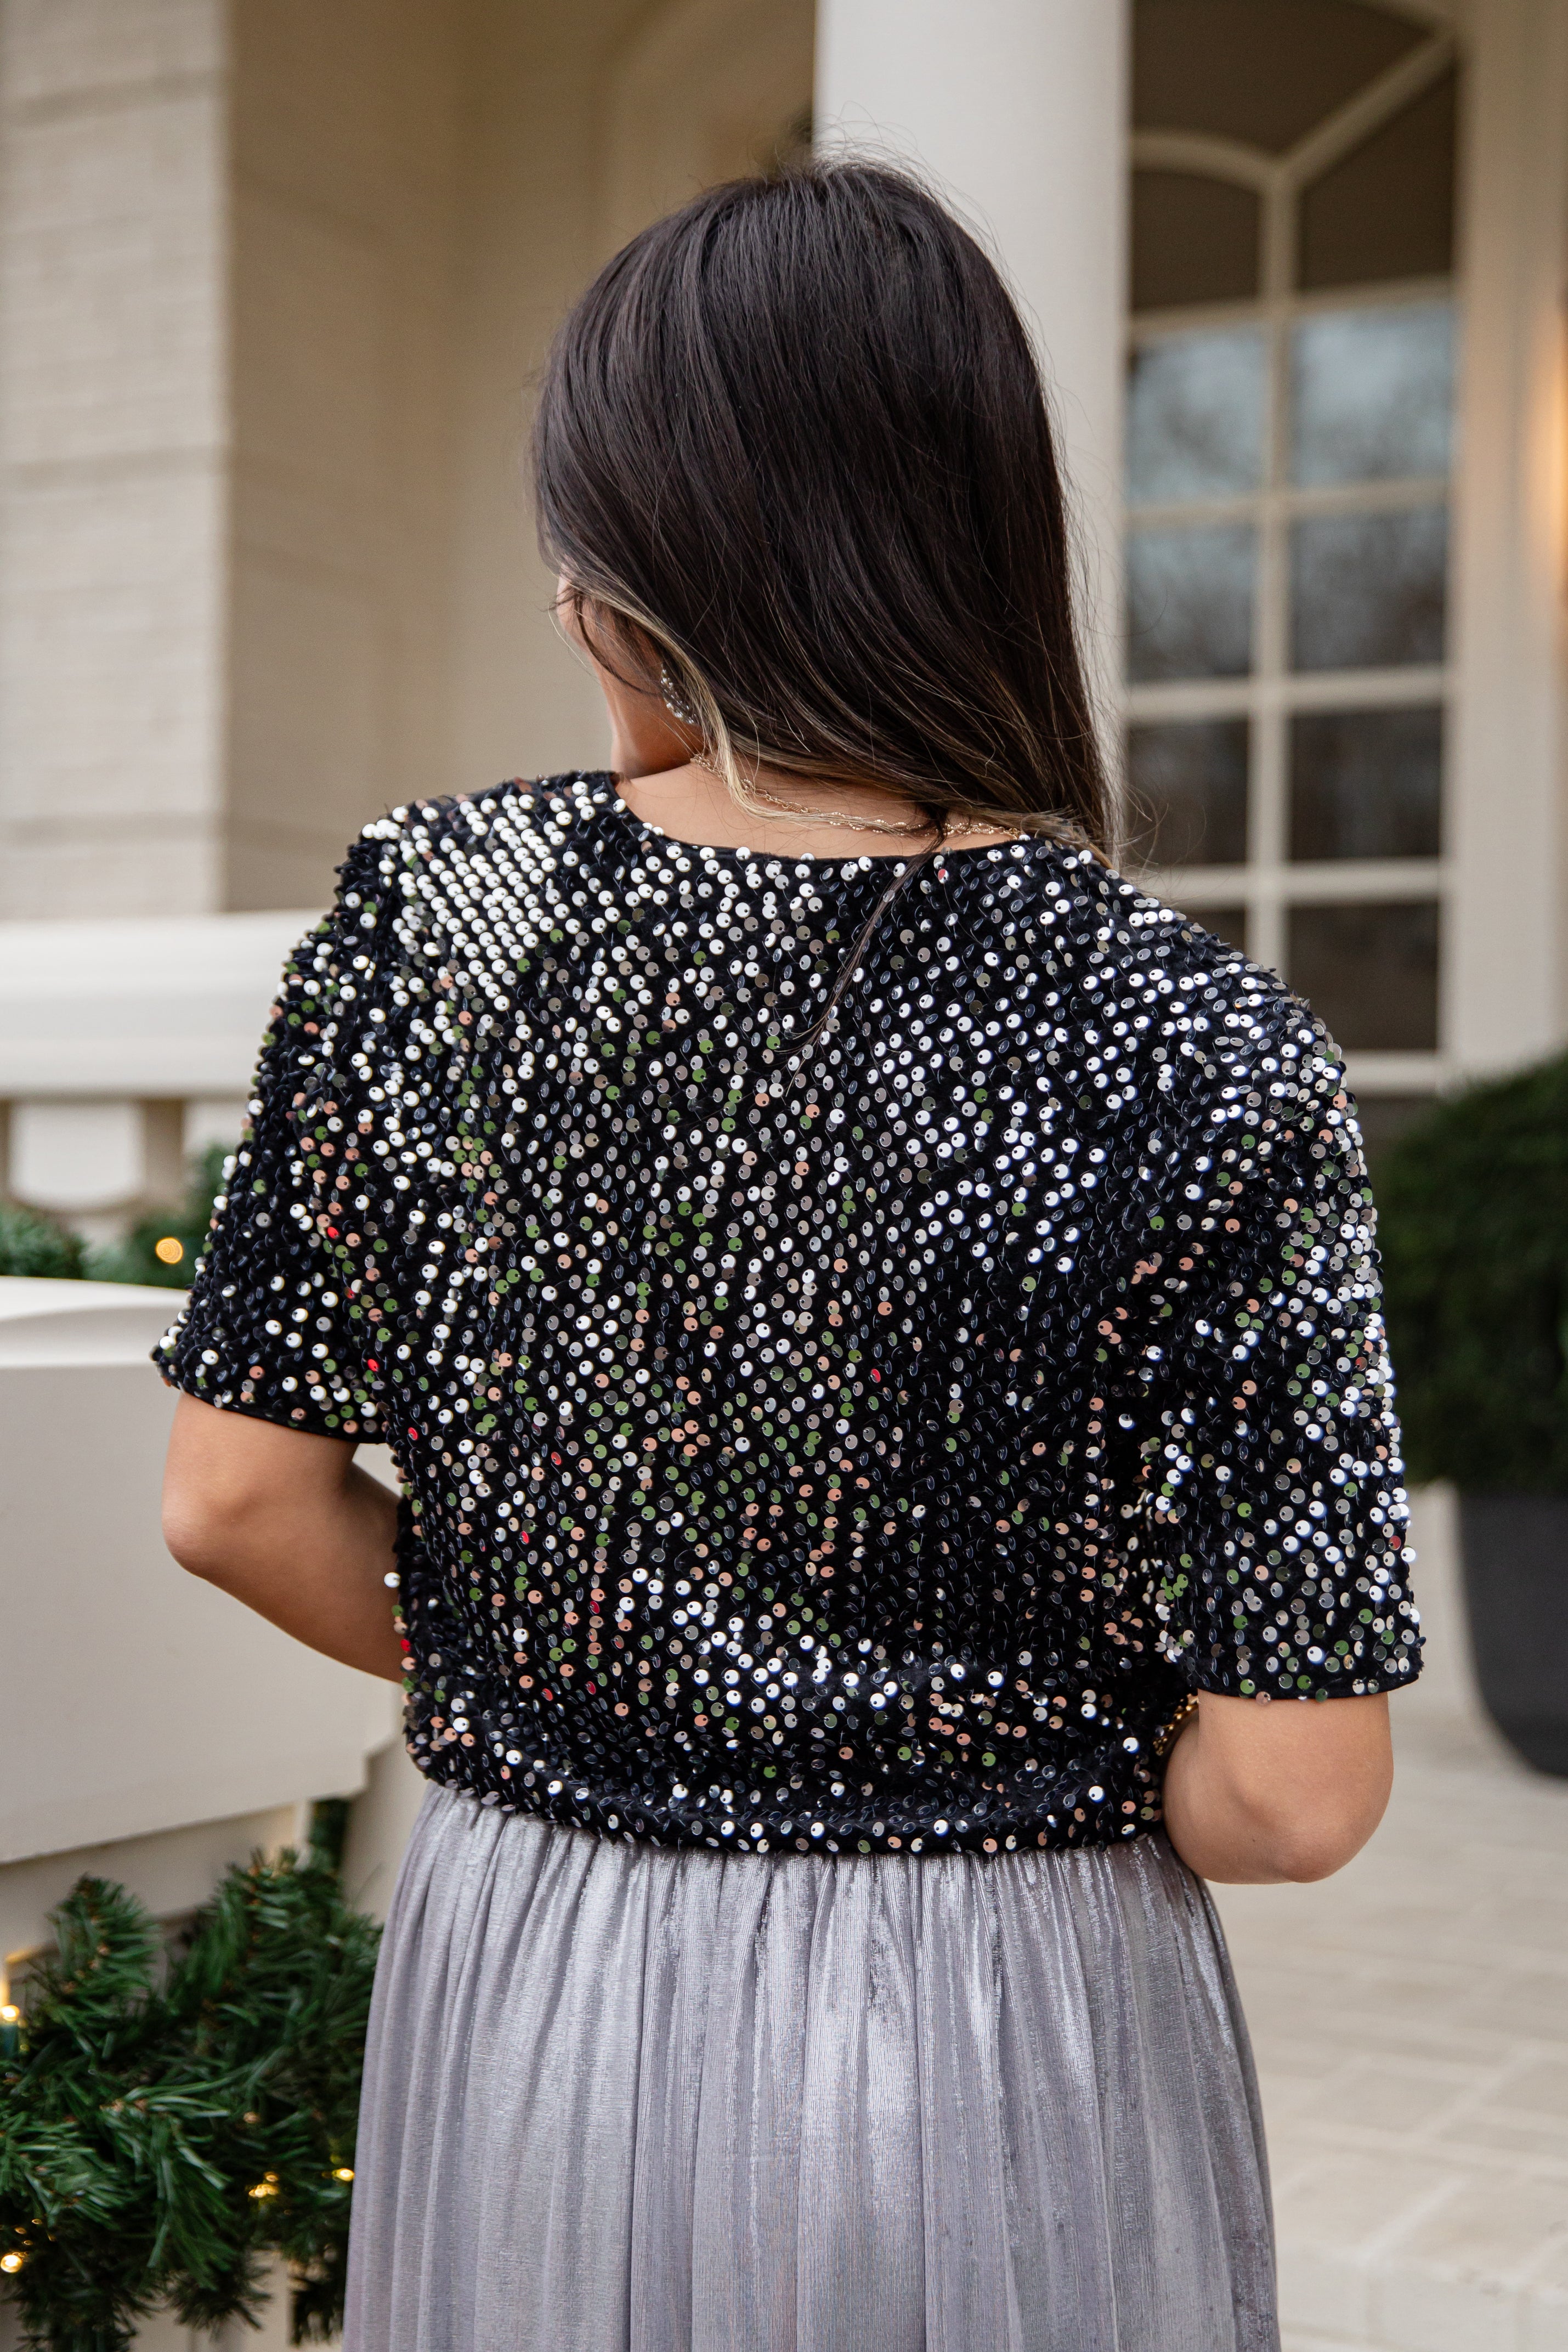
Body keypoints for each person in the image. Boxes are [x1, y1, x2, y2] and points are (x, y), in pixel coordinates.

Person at [158, 162, 1419, 2352]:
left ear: (635, 570)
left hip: (539, 1984)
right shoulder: (1212, 1049)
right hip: (1017, 2031)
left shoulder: (444, 923)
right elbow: (1294, 1796)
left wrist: (589, 1676)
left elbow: (234, 1501)